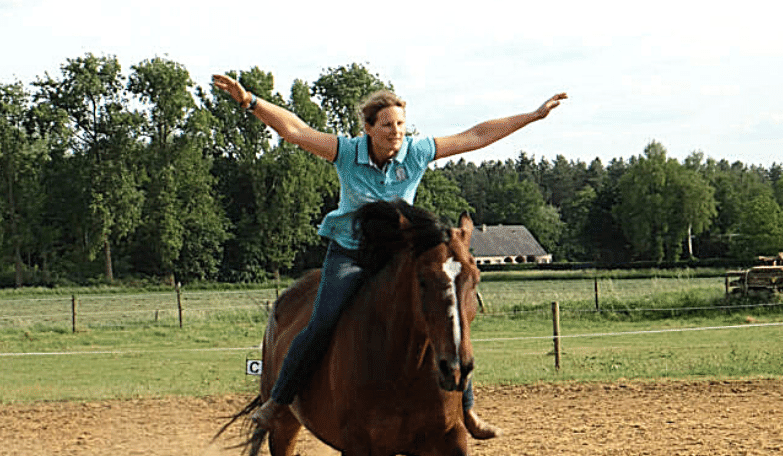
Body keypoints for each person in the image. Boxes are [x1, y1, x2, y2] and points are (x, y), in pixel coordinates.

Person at [213, 72, 566, 437]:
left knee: (445, 313)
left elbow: (475, 136)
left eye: (400, 124)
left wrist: (533, 116)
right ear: (368, 128)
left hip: (399, 255)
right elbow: (295, 130)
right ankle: (279, 400)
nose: (396, 131)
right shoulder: (346, 153)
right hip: (350, 252)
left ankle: (467, 410)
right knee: (323, 320)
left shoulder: (416, 153)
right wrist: (249, 100)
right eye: (387, 125)